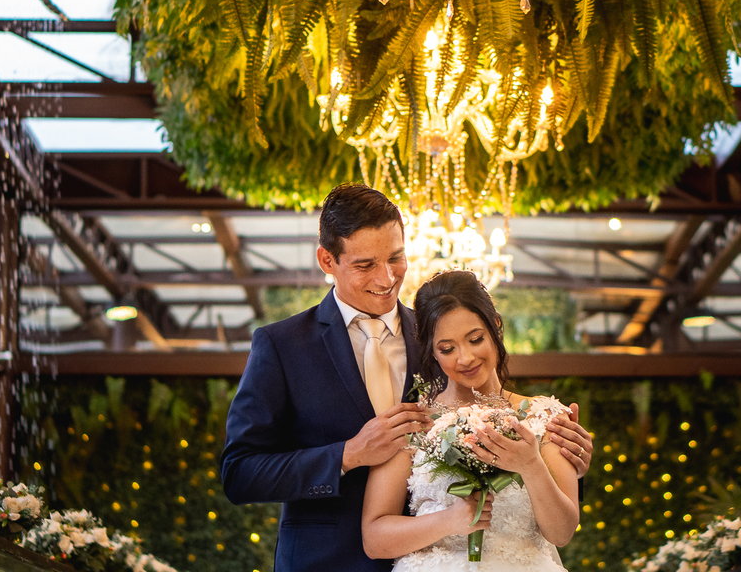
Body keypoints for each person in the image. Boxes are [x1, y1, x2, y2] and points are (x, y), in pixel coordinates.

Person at [222, 184, 593, 572]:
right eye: (366, 265)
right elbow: (240, 473)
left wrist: (566, 462)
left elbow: (531, 481)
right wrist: (349, 454)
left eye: (396, 258)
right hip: (325, 561)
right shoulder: (282, 345)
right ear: (327, 259)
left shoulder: (438, 337)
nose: (386, 278)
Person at [362, 271, 577, 572]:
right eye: (447, 349)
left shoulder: (544, 417)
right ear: (432, 352)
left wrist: (531, 466)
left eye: (475, 339)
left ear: (496, 327)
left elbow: (562, 533)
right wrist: (448, 521)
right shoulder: (411, 422)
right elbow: (374, 539)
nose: (465, 358)